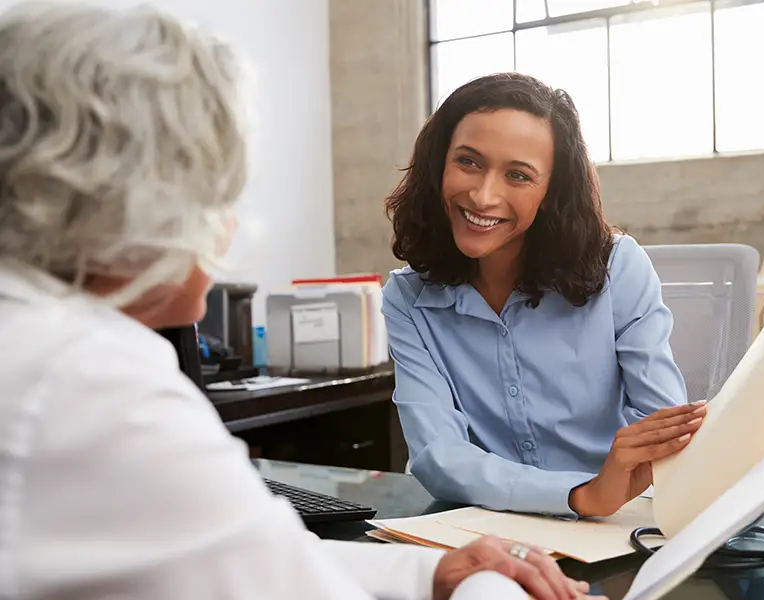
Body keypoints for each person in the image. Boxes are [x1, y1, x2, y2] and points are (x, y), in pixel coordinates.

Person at [0, 5, 601, 600]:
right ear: (138, 202)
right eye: (221, 190)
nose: (228, 223)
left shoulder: (44, 342)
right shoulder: (93, 383)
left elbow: (259, 556)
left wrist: (435, 574)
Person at [382, 72, 708, 519]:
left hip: (616, 523)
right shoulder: (407, 298)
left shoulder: (617, 268)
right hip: (484, 526)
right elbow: (438, 457)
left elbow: (665, 431)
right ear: (440, 163)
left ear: (550, 193)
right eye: (469, 162)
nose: (483, 195)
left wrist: (606, 490)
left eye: (518, 175)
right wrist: (579, 494)